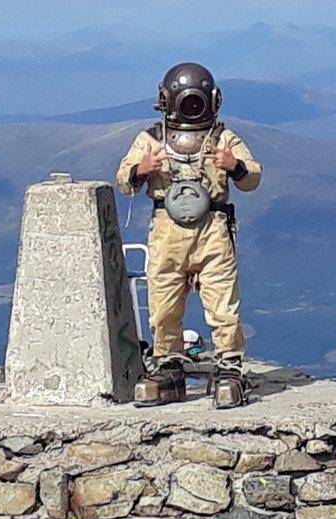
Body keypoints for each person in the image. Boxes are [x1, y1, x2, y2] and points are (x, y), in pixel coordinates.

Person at [116, 62, 262, 408]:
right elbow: (124, 180)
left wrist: (234, 166)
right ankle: (169, 364)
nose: (192, 108)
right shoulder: (151, 140)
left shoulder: (223, 140)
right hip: (168, 230)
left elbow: (253, 177)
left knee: (222, 301)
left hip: (212, 230)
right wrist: (142, 169)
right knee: (163, 302)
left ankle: (229, 363)